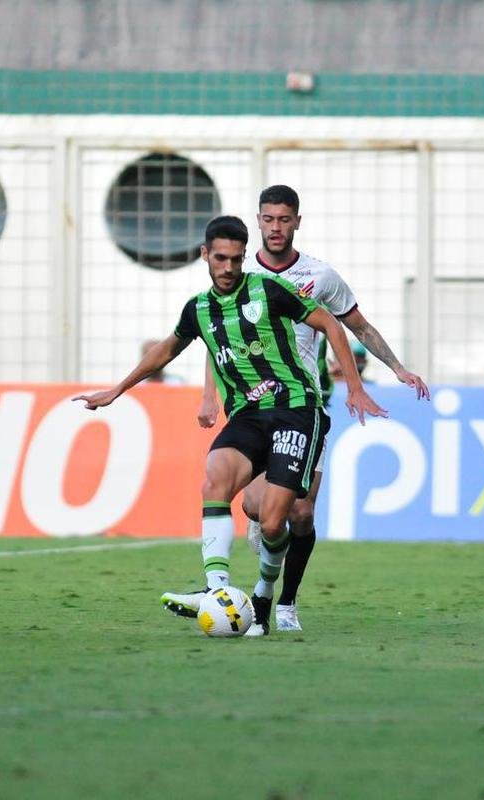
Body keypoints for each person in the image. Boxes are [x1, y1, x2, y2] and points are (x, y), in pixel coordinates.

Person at [75, 215, 385, 636]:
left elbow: (330, 322)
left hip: (296, 409)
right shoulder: (199, 308)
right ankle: (216, 587)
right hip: (249, 416)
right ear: (205, 255)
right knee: (214, 479)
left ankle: (263, 596)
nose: (228, 268)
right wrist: (117, 390)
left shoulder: (269, 290)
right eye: (220, 258)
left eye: (236, 259)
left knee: (276, 522)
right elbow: (168, 349)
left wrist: (353, 386)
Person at [197, 185, 428, 632]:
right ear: (259, 221)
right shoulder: (235, 274)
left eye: (285, 219)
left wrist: (396, 368)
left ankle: (284, 604)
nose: (276, 227)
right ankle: (265, 534)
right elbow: (217, 335)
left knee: (300, 513)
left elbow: (356, 324)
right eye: (269, 219)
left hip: (306, 406)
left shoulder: (319, 276)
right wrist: (210, 394)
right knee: (257, 510)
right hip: (255, 406)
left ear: (297, 222)